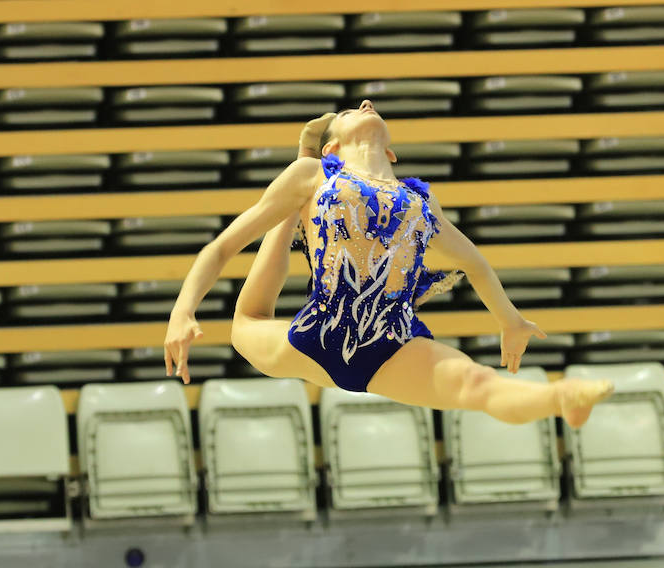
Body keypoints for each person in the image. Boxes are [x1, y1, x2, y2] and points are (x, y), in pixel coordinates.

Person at [164, 99, 614, 428]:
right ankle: (294, 202)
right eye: (349, 111)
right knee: (247, 320)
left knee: (476, 385)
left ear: (393, 154)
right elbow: (222, 247)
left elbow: (474, 262)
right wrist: (183, 309)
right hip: (314, 337)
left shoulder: (419, 202)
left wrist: (510, 320)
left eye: (366, 105)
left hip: (393, 346)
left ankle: (561, 397)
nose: (365, 103)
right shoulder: (315, 174)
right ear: (332, 149)